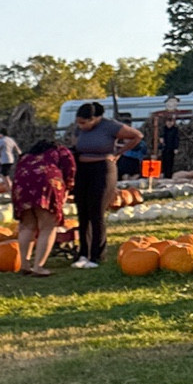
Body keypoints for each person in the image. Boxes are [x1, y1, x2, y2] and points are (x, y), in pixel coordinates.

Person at [68, 100, 140, 268]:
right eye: (79, 122)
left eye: (84, 123)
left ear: (95, 119)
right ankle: (83, 253)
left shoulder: (110, 126)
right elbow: (75, 144)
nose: (81, 126)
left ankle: (96, 255)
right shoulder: (79, 129)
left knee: (96, 210)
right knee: (82, 211)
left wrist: (117, 153)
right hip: (82, 169)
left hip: (102, 169)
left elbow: (137, 136)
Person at [11, 139, 70, 275]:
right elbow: (70, 170)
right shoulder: (61, 151)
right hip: (46, 184)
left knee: (27, 226)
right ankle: (39, 267)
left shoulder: (26, 156)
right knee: (47, 227)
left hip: (22, 186)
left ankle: (24, 265)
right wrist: (67, 190)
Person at [157, 100, 183, 180]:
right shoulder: (164, 129)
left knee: (171, 161)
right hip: (165, 147)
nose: (169, 124)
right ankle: (165, 174)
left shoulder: (175, 130)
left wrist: (176, 148)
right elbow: (161, 136)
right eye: (168, 122)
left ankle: (169, 175)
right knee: (164, 161)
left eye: (170, 122)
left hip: (171, 147)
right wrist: (161, 141)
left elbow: (176, 139)